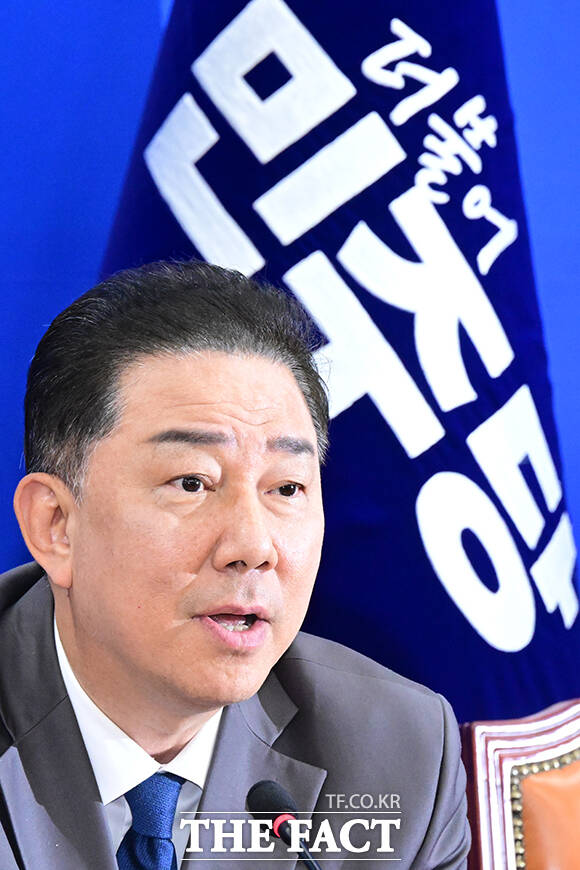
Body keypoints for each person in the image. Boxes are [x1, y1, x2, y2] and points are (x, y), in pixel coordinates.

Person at [0, 261, 469, 869]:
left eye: (287, 489)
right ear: (56, 526)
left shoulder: (399, 750)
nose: (253, 545)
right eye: (192, 483)